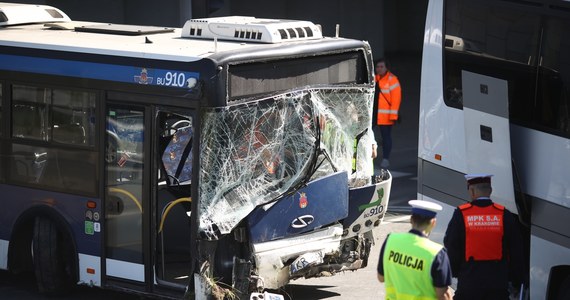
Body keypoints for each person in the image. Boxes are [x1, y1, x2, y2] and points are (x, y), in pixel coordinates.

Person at [444, 174, 527, 300]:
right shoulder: (504, 214)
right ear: (490, 190)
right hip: (497, 287)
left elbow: (452, 246)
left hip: (468, 285)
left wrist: (455, 272)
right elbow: (517, 251)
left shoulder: (461, 214)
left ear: (472, 191)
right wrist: (516, 280)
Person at [378, 200, 453, 300]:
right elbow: (442, 295)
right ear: (433, 223)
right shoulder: (437, 253)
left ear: (411, 219)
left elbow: (381, 277)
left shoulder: (390, 240)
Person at [373, 57, 402, 169]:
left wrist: (393, 116)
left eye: (381, 67)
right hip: (375, 115)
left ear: (386, 68)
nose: (379, 69)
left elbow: (396, 99)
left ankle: (386, 159)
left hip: (386, 116)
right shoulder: (374, 79)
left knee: (386, 137)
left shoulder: (392, 80)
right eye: (377, 67)